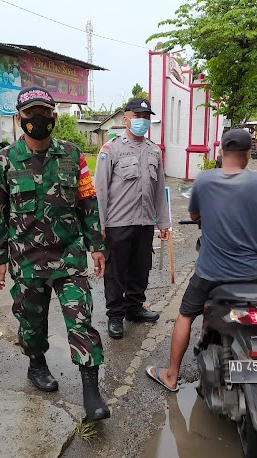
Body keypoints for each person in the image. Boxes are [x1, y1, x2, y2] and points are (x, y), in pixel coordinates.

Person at [0, 86, 110, 421]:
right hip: (25, 260)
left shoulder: (73, 156)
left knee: (81, 319)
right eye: (30, 114)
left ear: (54, 117)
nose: (37, 120)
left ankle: (90, 390)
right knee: (31, 321)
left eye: (43, 113)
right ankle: (36, 364)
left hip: (69, 257)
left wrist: (97, 246)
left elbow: (87, 203)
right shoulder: (2, 162)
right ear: (19, 118)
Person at [145, 128, 257, 391]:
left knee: (185, 315)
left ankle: (172, 375)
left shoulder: (204, 181)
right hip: (252, 273)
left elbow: (195, 216)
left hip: (210, 273)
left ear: (220, 152)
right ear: (248, 153)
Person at [94, 98, 171, 340]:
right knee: (116, 272)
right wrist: (100, 225)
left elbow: (160, 189)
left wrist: (164, 223)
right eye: (137, 117)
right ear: (125, 119)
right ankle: (115, 315)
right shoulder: (111, 149)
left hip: (145, 222)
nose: (143, 121)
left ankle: (134, 308)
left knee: (141, 268)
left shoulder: (154, 150)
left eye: (146, 117)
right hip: (118, 223)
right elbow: (101, 190)